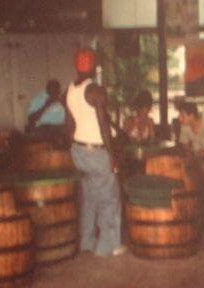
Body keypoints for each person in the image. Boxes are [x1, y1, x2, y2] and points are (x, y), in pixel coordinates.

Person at [65, 48, 125, 257]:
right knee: (109, 197)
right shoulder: (96, 91)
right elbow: (103, 125)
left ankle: (87, 242)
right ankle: (107, 246)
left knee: (89, 198)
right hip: (96, 152)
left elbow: (70, 123)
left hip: (78, 149)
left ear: (77, 65)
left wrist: (71, 149)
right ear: (93, 65)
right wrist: (112, 154)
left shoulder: (70, 90)